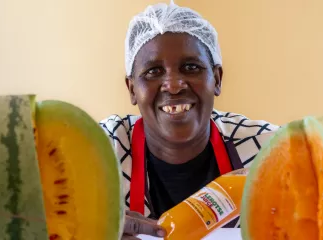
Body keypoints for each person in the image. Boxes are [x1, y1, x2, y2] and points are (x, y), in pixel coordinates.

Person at [99, 1, 280, 239]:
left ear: (216, 79)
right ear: (132, 89)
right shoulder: (102, 151)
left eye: (191, 67)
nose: (173, 86)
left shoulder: (269, 152)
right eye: (153, 71)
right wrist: (89, 228)